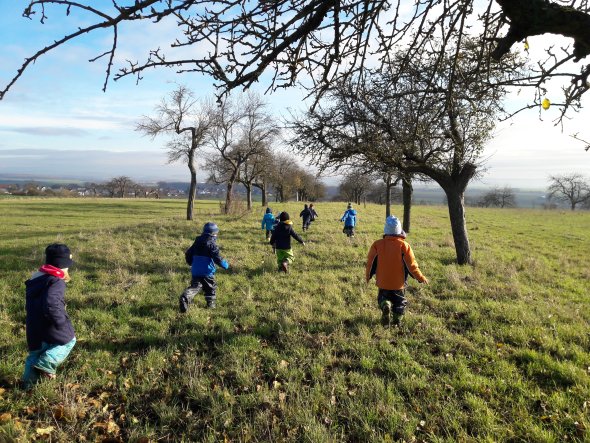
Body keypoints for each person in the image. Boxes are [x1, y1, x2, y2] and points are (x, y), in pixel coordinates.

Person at [23, 244, 76, 389]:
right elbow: (51, 303)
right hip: (49, 323)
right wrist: (60, 321)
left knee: (34, 354)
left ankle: (28, 386)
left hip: (33, 324)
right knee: (69, 340)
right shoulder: (56, 281)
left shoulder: (36, 277)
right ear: (61, 266)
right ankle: (47, 362)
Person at [365, 216, 428, 327]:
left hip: (382, 283)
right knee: (400, 303)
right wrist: (420, 277)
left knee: (383, 298)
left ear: (385, 230)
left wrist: (368, 276)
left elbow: (370, 263)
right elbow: (412, 265)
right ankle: (397, 321)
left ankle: (385, 304)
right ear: (399, 231)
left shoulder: (377, 244)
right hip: (399, 284)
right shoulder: (404, 246)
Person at [180, 222, 229, 311]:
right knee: (210, 287)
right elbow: (217, 258)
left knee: (196, 286)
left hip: (195, 271)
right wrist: (225, 265)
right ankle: (211, 304)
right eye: (216, 233)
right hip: (207, 272)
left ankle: (186, 296)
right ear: (214, 234)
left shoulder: (196, 243)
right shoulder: (212, 244)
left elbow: (188, 253)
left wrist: (190, 262)